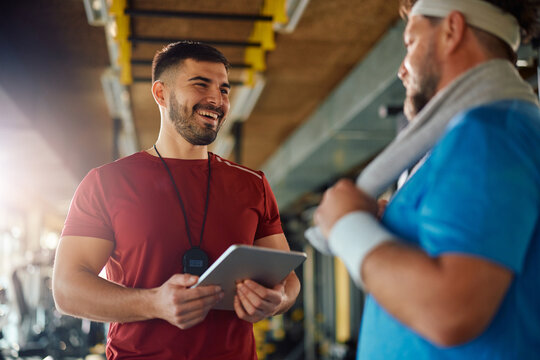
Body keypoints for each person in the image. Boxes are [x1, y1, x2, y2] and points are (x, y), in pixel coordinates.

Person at [312, 0, 540, 359]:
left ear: (452, 30)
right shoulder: (480, 134)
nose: (402, 70)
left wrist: (347, 227)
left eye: (410, 43)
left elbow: (453, 309)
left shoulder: (489, 133)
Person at [52, 41, 300, 359]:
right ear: (161, 94)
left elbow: (287, 280)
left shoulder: (253, 185)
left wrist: (277, 300)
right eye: (200, 84)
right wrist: (153, 302)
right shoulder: (106, 183)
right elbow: (66, 289)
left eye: (224, 89)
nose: (217, 99)